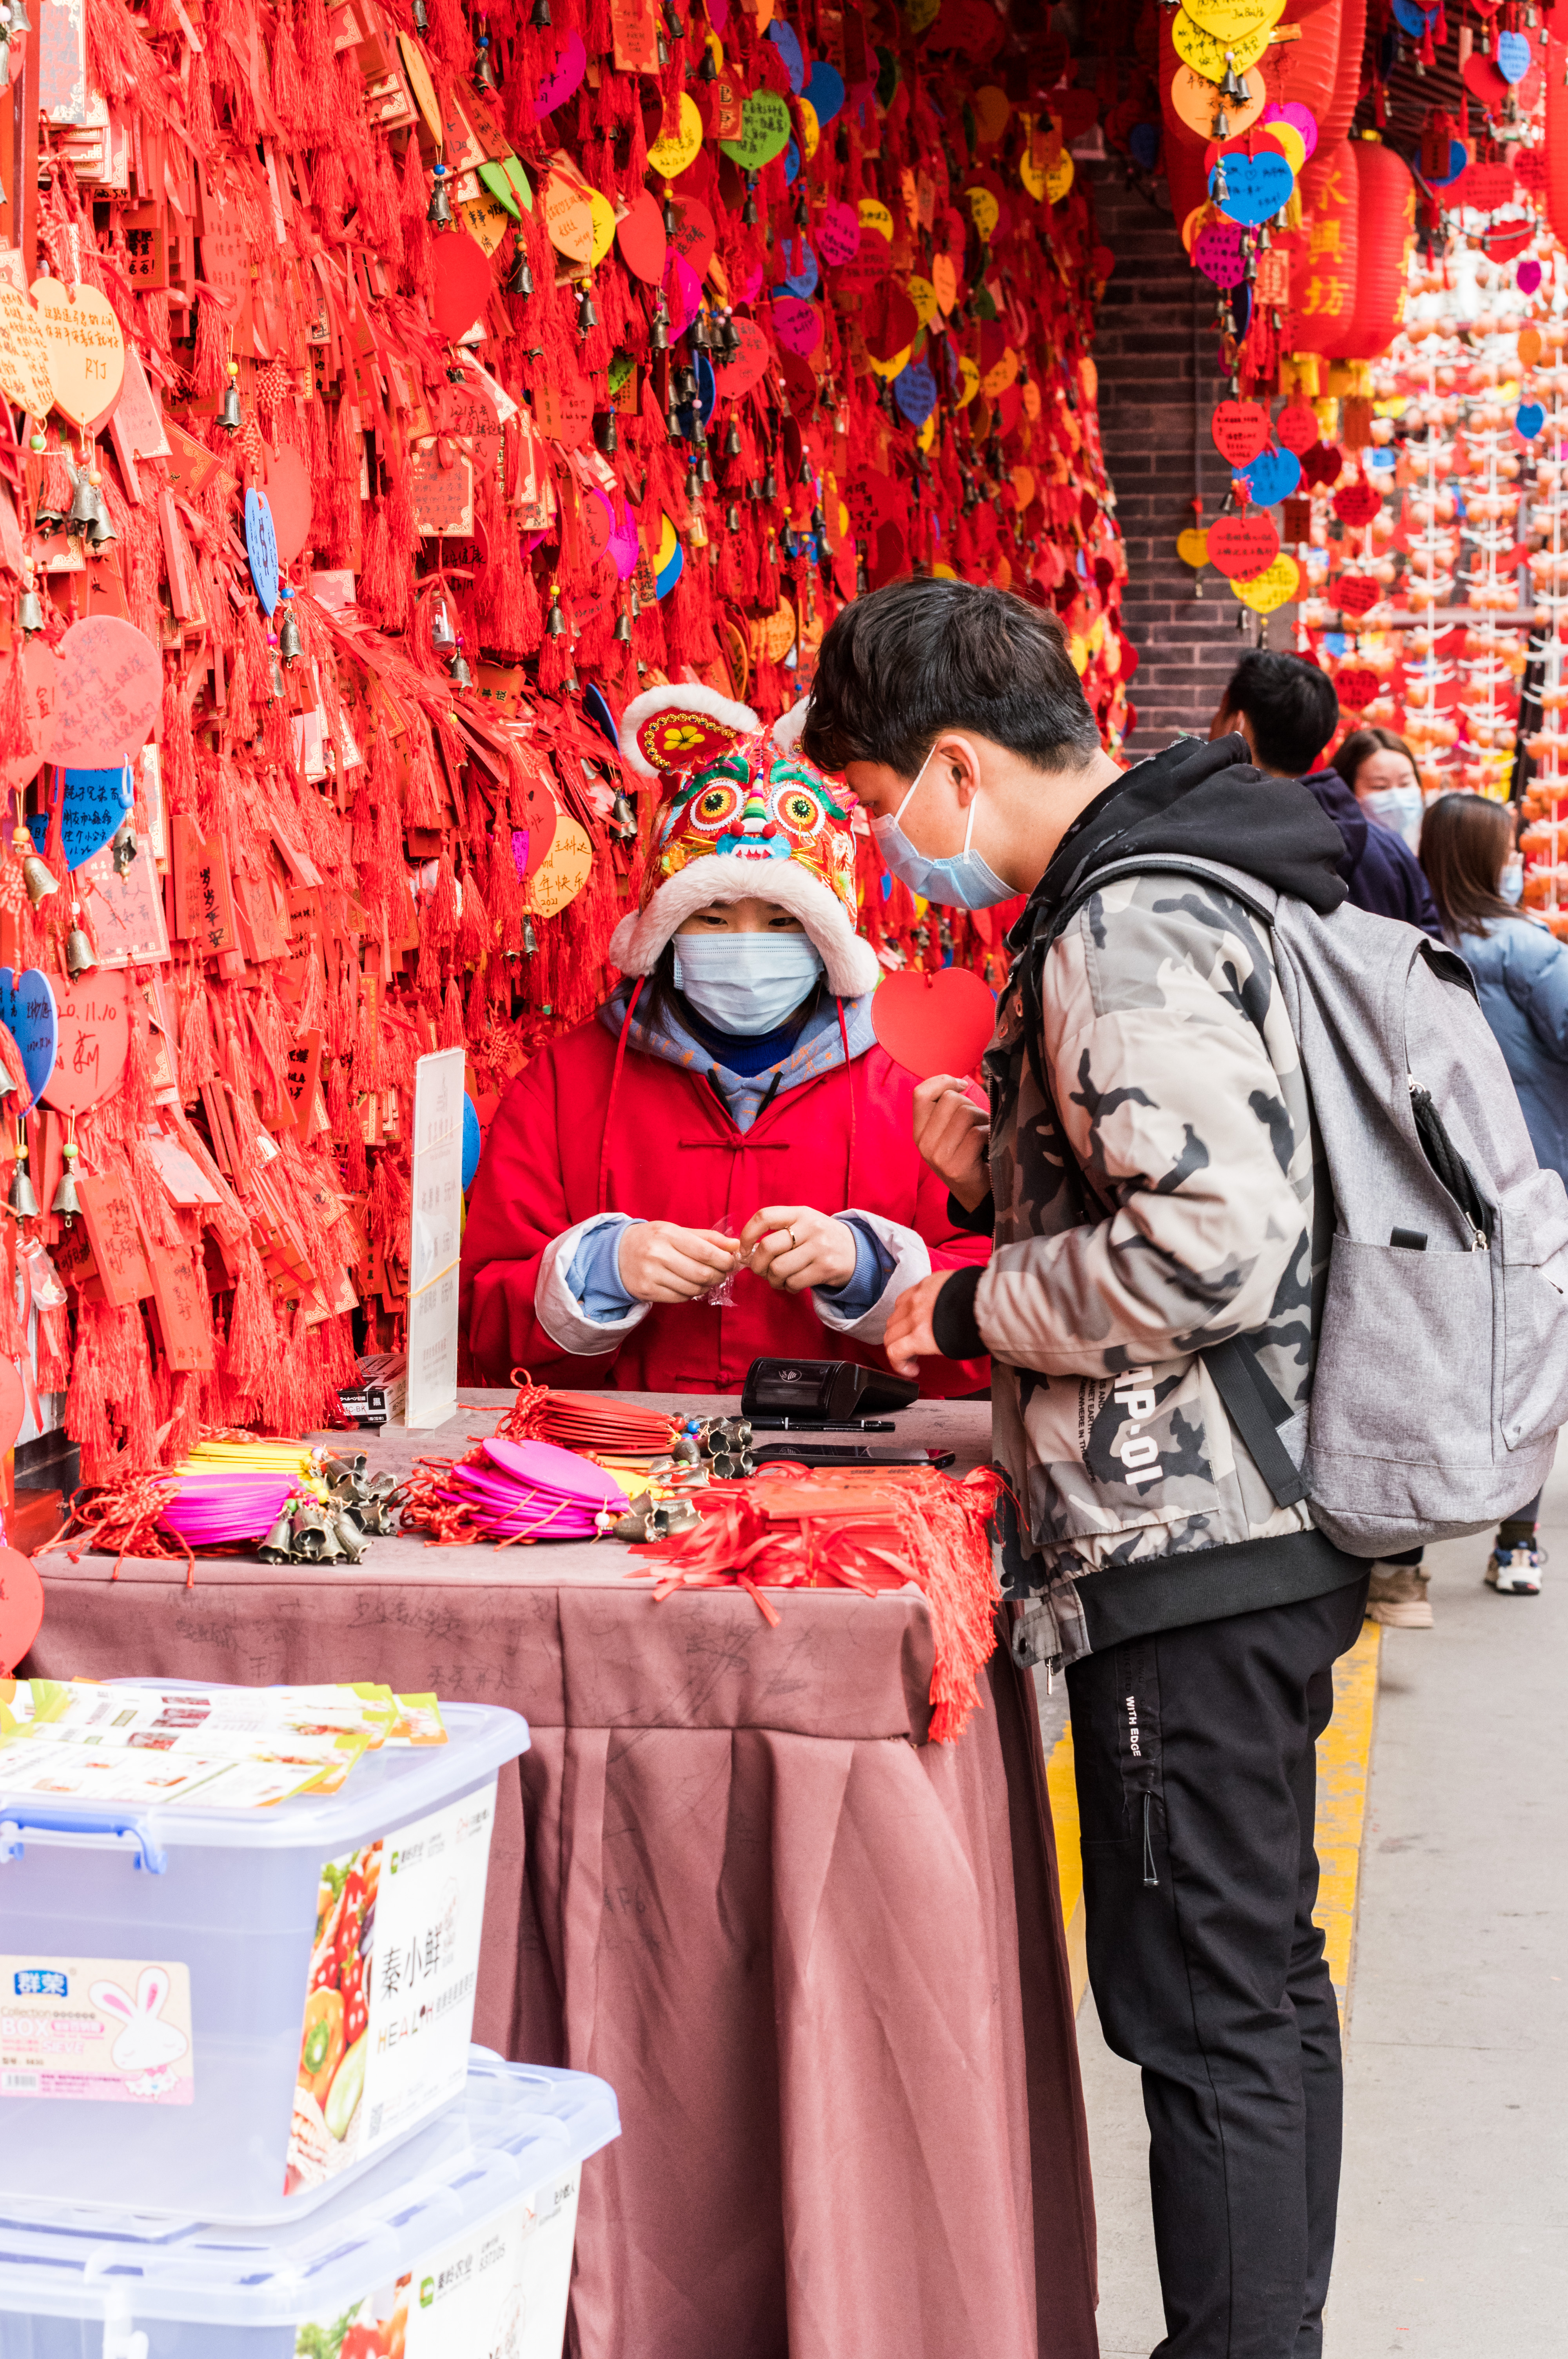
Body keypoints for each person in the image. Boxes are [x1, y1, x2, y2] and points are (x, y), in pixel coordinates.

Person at [804, 578, 1368, 2359]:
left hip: (1184, 1535)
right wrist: (1005, 1170)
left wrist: (967, 1292)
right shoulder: (1187, 873)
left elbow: (1215, 1238)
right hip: (1247, 1524)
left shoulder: (1118, 926)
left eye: (886, 801)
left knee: (1201, 2009)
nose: (897, 849)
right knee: (1257, 1986)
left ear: (953, 767)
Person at [459, 684, 989, 1394]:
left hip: (859, 1484)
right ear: (667, 931)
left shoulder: (918, 1083)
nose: (746, 948)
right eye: (712, 917)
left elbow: (1006, 1304)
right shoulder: (564, 1085)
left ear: (828, 938)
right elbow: (480, 1328)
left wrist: (867, 1267)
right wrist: (600, 1269)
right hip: (628, 1478)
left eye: (781, 921)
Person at [1411, 789, 1559, 1600]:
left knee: (1441, 1362)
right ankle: (1515, 1539)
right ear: (1487, 855)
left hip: (1439, 1188)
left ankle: (1405, 1551)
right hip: (1533, 1182)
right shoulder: (1527, 951)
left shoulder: (1406, 946)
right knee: (1524, 1365)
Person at [1212, 652, 1442, 936]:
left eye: (1218, 712)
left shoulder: (1215, 840)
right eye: (1381, 786)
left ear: (1238, 724)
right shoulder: (1391, 852)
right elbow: (1432, 958)